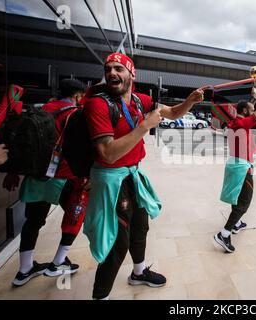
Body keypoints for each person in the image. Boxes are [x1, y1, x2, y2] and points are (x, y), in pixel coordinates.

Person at [84, 53, 205, 300]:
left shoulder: (140, 100)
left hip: (132, 176)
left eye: (118, 68)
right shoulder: (97, 104)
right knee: (117, 243)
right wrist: (144, 127)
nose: (112, 74)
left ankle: (138, 273)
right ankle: (100, 296)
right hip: (110, 180)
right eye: (108, 69)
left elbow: (170, 113)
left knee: (140, 227)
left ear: (132, 74)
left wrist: (189, 102)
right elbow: (106, 153)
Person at [6, 78, 89, 287]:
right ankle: (59, 262)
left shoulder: (40, 110)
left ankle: (25, 269)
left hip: (37, 175)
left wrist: (14, 171)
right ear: (78, 95)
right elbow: (80, 149)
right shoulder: (74, 114)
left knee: (33, 221)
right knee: (75, 216)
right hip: (64, 176)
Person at [215, 78, 256, 253]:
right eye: (250, 110)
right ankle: (224, 233)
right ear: (245, 111)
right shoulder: (244, 123)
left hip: (233, 163)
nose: (254, 112)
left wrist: (254, 96)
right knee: (245, 202)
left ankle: (236, 223)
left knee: (236, 197)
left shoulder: (234, 122)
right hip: (242, 167)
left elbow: (251, 107)